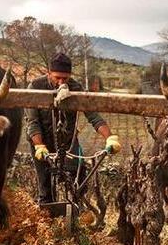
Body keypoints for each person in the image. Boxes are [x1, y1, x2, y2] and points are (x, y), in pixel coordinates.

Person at [25, 53, 121, 204]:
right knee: (45, 187)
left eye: (65, 78)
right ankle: (48, 219)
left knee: (79, 176)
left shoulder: (76, 87)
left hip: (67, 140)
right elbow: (32, 122)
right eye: (57, 78)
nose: (61, 82)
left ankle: (76, 211)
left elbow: (93, 116)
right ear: (48, 73)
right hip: (40, 141)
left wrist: (110, 137)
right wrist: (38, 146)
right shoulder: (35, 87)